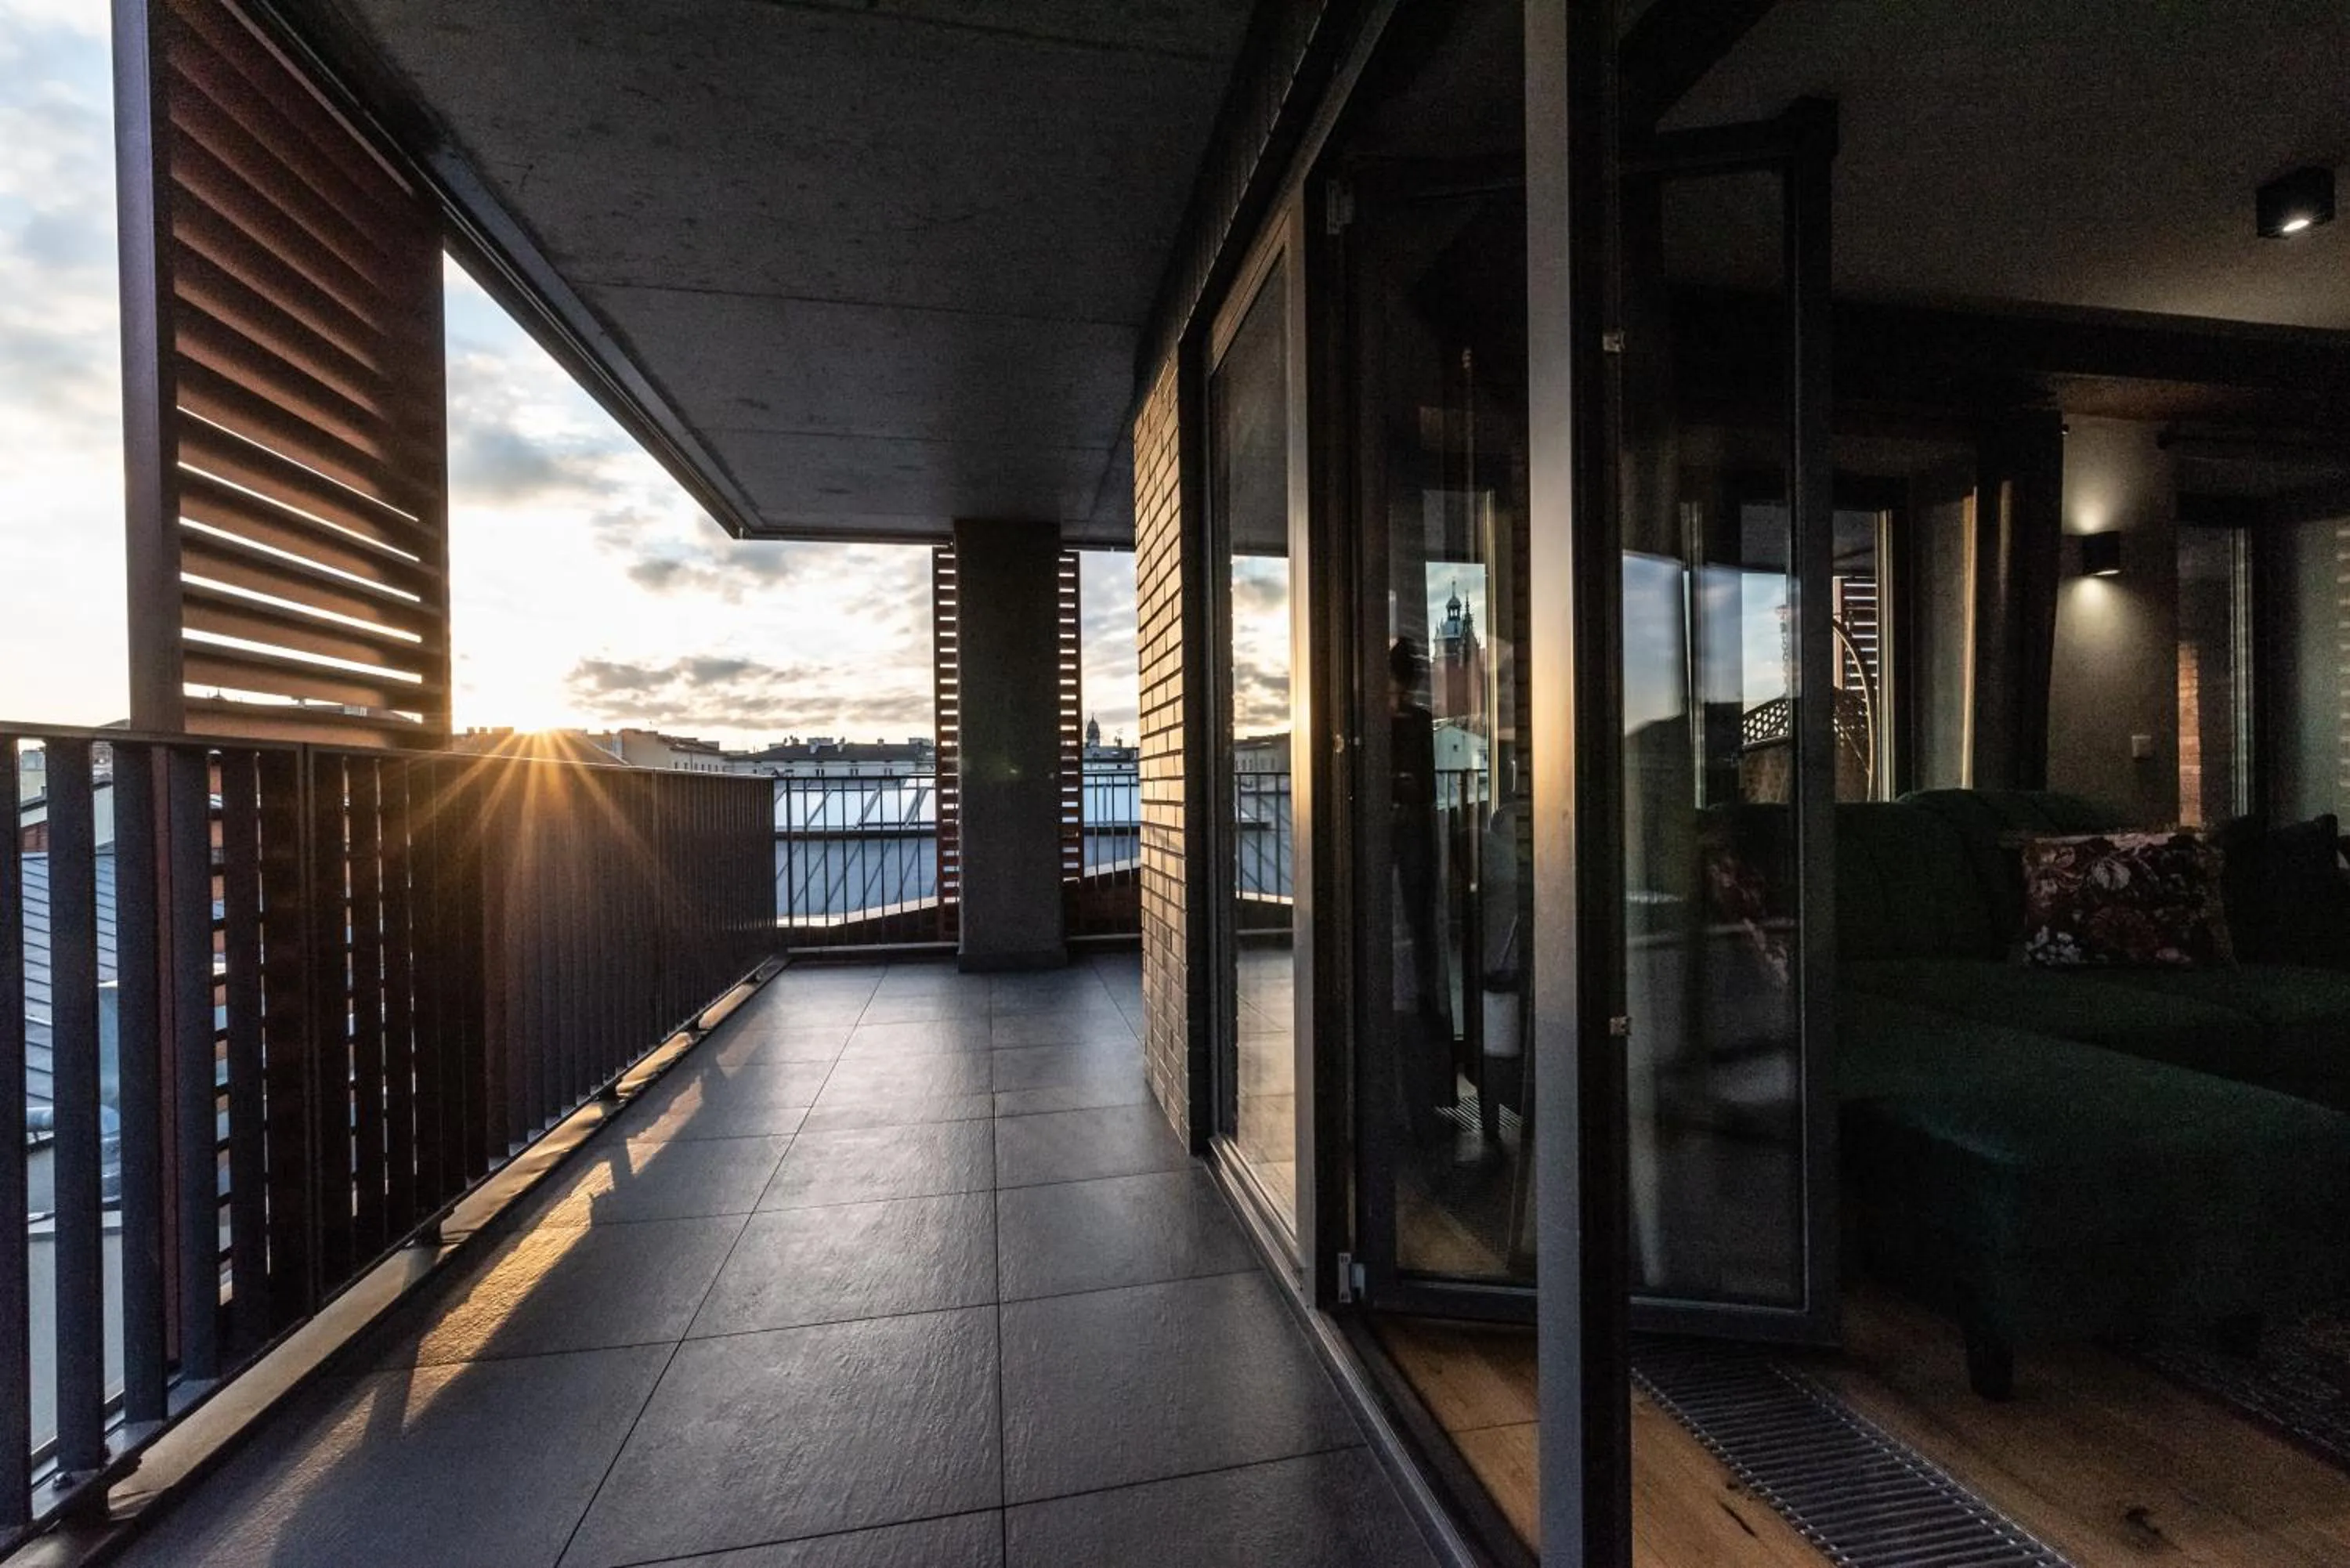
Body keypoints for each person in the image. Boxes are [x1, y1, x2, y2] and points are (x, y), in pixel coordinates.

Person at [1389, 637, 1453, 1148]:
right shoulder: (1413, 722)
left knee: (1416, 915)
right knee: (1415, 918)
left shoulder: (1405, 722)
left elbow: (1422, 787)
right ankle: (1421, 996)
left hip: (1408, 832)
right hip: (1409, 832)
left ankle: (1421, 998)